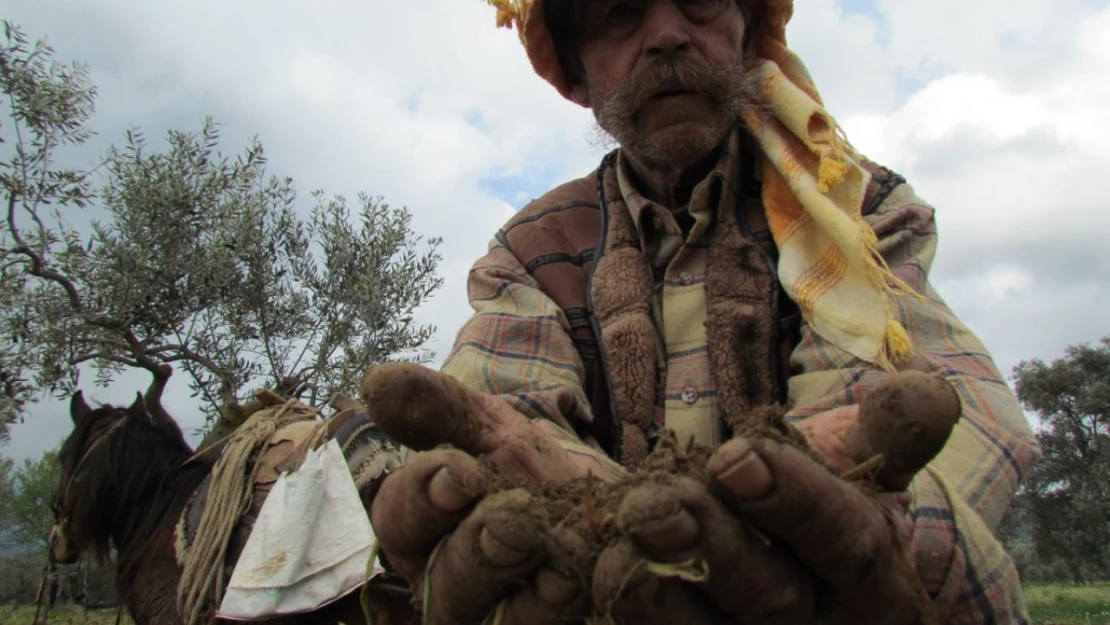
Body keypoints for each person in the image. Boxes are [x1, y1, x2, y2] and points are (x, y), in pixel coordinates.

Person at [366, 1, 1043, 623]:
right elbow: (507, 417)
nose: (665, 35)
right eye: (617, 11)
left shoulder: (851, 211)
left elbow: (911, 415)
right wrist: (594, 515)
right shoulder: (533, 249)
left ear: (748, 29)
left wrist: (851, 520)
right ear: (576, 71)